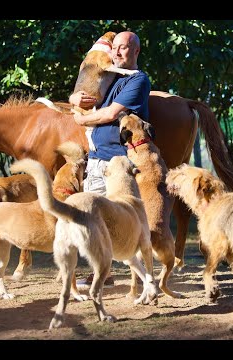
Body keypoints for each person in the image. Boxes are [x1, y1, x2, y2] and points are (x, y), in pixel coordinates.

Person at [69, 31, 151, 289]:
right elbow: (82, 94)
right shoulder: (107, 76)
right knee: (93, 221)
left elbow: (111, 113)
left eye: (123, 48)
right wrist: (74, 99)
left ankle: (140, 281)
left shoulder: (137, 80)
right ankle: (102, 273)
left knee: (128, 221)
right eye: (114, 48)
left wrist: (81, 119)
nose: (116, 53)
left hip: (119, 163)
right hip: (95, 161)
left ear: (136, 51)